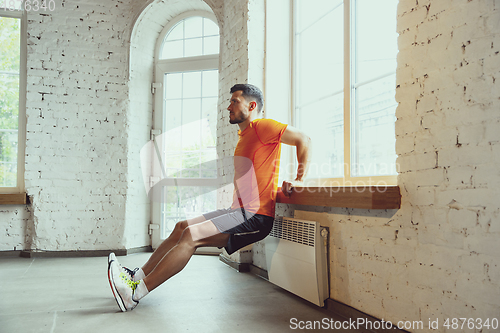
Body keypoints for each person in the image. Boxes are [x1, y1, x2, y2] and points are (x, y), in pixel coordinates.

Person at [108, 83, 311, 311]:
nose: (228, 107)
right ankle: (137, 276)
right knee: (181, 226)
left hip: (256, 216)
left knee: (191, 236)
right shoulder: (245, 135)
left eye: (235, 101)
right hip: (238, 212)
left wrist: (300, 179)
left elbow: (304, 139)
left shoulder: (263, 126)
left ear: (252, 105)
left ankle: (135, 294)